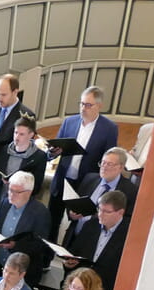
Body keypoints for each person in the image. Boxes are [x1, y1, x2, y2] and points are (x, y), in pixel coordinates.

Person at [46, 86, 120, 240]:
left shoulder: (109, 128)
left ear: (99, 106)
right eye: (81, 104)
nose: (83, 108)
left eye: (88, 105)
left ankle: (69, 258)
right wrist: (53, 152)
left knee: (77, 225)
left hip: (85, 184)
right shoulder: (69, 122)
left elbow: (108, 159)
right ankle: (46, 257)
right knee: (52, 222)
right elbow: (52, 150)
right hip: (62, 180)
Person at [65, 190, 130, 290]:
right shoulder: (91, 225)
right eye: (99, 209)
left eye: (107, 211)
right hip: (80, 287)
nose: (100, 214)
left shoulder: (128, 234)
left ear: (120, 212)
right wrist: (69, 263)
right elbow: (75, 252)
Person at [0, 171, 52, 287]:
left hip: (23, 273)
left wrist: (15, 246)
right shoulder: (5, 202)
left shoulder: (40, 212)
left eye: (17, 192)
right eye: (10, 189)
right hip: (0, 264)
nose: (11, 194)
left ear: (29, 192)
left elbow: (40, 245)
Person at [0, 117, 46, 218]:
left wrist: (17, 184)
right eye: (15, 132)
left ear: (31, 135)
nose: (17, 137)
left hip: (20, 208)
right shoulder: (5, 150)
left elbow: (36, 187)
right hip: (0, 202)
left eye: (21, 134)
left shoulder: (38, 157)